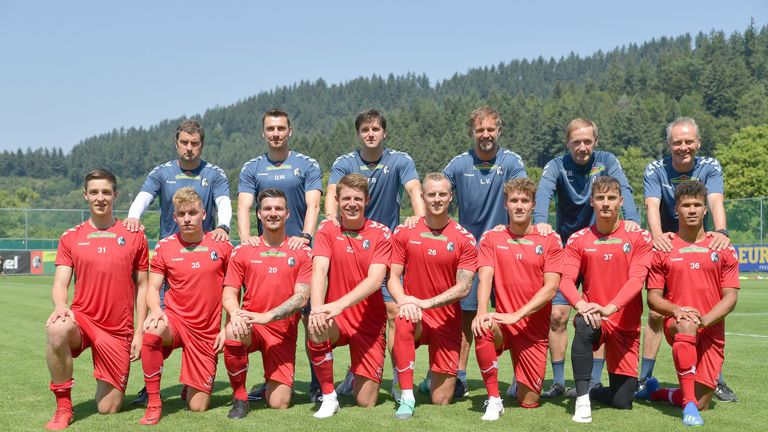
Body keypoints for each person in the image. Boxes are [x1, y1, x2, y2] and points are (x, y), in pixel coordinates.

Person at [124, 120, 231, 405]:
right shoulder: (162, 172)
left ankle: (193, 379)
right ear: (177, 143)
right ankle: (151, 388)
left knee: (198, 320)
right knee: (155, 324)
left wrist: (225, 226)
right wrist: (134, 216)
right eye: (184, 142)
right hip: (168, 262)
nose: (189, 148)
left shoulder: (214, 173)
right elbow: (143, 197)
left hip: (201, 256)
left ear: (201, 145)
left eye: (194, 143)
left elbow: (223, 203)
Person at [534, 118, 641, 398]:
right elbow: (543, 192)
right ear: (567, 143)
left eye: (587, 141)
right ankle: (558, 381)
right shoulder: (557, 165)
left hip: (600, 246)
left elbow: (624, 190)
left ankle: (593, 380)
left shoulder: (607, 161)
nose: (582, 147)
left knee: (599, 313)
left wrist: (632, 220)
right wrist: (541, 222)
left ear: (595, 141)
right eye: (576, 142)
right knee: (557, 315)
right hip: (570, 248)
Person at [325, 108, 424, 399]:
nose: (371, 135)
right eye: (365, 130)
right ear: (359, 134)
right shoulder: (345, 162)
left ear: (384, 133)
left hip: (385, 248)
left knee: (393, 312)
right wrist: (331, 218)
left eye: (375, 130)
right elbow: (333, 193)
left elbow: (414, 190)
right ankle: (350, 373)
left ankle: (397, 380)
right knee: (348, 314)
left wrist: (417, 220)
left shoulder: (399, 160)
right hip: (351, 249)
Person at [640, 117, 736, 402]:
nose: (684, 147)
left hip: (701, 236)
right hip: (669, 239)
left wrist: (721, 233)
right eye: (677, 142)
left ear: (698, 143)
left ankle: (713, 379)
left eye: (689, 141)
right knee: (657, 312)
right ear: (669, 144)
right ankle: (645, 377)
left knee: (712, 301)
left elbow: (715, 200)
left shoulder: (710, 166)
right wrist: (657, 237)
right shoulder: (656, 169)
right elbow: (651, 205)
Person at [44, 169, 149, 430]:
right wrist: (60, 306)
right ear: (85, 196)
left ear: (115, 194)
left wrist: (138, 333)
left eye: (105, 192)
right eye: (94, 192)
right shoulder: (70, 237)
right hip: (82, 320)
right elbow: (60, 283)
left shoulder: (135, 235)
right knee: (57, 329)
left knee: (108, 409)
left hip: (117, 329)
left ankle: (105, 373)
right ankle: (63, 408)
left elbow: (144, 286)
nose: (100, 198)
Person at [636, 180, 739, 426]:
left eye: (697, 205)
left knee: (704, 399)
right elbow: (653, 298)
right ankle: (689, 408)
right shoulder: (663, 248)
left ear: (706, 209)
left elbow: (731, 298)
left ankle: (657, 392)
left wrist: (703, 321)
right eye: (685, 205)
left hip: (711, 327)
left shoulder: (723, 248)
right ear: (676, 210)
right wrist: (677, 310)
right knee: (686, 325)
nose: (691, 210)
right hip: (678, 322)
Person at [237, 108, 322, 402]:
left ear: (289, 131)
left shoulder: (306, 164)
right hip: (266, 253)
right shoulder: (252, 167)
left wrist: (306, 237)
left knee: (309, 319)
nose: (276, 133)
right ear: (264, 133)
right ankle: (267, 382)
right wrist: (247, 238)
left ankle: (317, 385)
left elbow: (313, 205)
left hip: (298, 252)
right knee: (265, 318)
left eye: (281, 128)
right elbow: (245, 206)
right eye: (271, 129)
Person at [443, 106, 527, 397]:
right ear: (472, 133)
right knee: (467, 318)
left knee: (512, 313)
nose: (486, 135)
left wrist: (538, 226)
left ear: (499, 131)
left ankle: (520, 376)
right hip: (469, 254)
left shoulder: (512, 162)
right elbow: (438, 196)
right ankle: (461, 376)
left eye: (491, 129)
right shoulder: (458, 165)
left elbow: (523, 198)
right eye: (480, 130)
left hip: (506, 251)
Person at [559, 176, 652, 424]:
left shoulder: (639, 238)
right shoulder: (579, 239)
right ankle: (582, 401)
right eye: (600, 198)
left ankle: (593, 391)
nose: (606, 203)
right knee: (583, 325)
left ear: (621, 201)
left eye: (611, 198)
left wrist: (610, 308)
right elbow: (565, 280)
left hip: (624, 322)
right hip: (593, 315)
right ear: (592, 201)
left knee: (623, 401)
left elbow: (637, 280)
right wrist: (581, 306)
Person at [137, 187, 233, 425]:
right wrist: (156, 311)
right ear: (174, 217)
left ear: (203, 214)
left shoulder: (222, 246)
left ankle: (191, 386)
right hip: (175, 321)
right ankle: (153, 402)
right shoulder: (165, 246)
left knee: (197, 407)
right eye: (182, 214)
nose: (187, 218)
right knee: (152, 330)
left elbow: (233, 291)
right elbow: (151, 288)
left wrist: (227, 327)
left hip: (206, 332)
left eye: (192, 212)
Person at [472, 178, 563, 421]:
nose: (519, 205)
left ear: (534, 204)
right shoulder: (493, 238)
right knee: (482, 327)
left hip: (532, 330)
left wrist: (518, 314)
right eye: (514, 200)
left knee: (529, 402)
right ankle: (493, 399)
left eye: (525, 200)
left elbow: (551, 288)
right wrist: (482, 310)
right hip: (502, 323)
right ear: (506, 204)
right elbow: (485, 278)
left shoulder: (550, 240)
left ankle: (519, 376)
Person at [388, 173, 477, 419]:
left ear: (450, 197)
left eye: (442, 194)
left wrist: (425, 303)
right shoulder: (405, 232)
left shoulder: (464, 238)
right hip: (415, 315)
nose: (437, 199)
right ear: (422, 197)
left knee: (441, 400)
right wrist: (405, 301)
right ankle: (406, 395)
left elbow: (463, 287)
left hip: (447, 321)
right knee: (402, 318)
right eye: (431, 194)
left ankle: (429, 382)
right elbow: (393, 277)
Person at [222, 188, 312, 418]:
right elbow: (229, 294)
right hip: (251, 325)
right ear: (259, 214)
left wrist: (268, 316)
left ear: (288, 214)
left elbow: (302, 298)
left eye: (278, 208)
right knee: (233, 330)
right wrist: (236, 313)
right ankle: (240, 397)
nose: (273, 213)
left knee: (279, 402)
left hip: (282, 333)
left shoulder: (301, 251)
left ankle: (268, 384)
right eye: (267, 209)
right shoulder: (243, 250)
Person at [307, 173, 392, 418]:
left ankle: (354, 373)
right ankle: (329, 396)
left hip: (369, 323)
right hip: (337, 319)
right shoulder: (327, 229)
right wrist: (317, 309)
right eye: (346, 199)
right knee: (316, 327)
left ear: (367, 200)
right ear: (337, 200)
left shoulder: (381, 233)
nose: (352, 204)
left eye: (357, 198)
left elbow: (376, 280)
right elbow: (320, 270)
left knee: (366, 401)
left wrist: (338, 305)